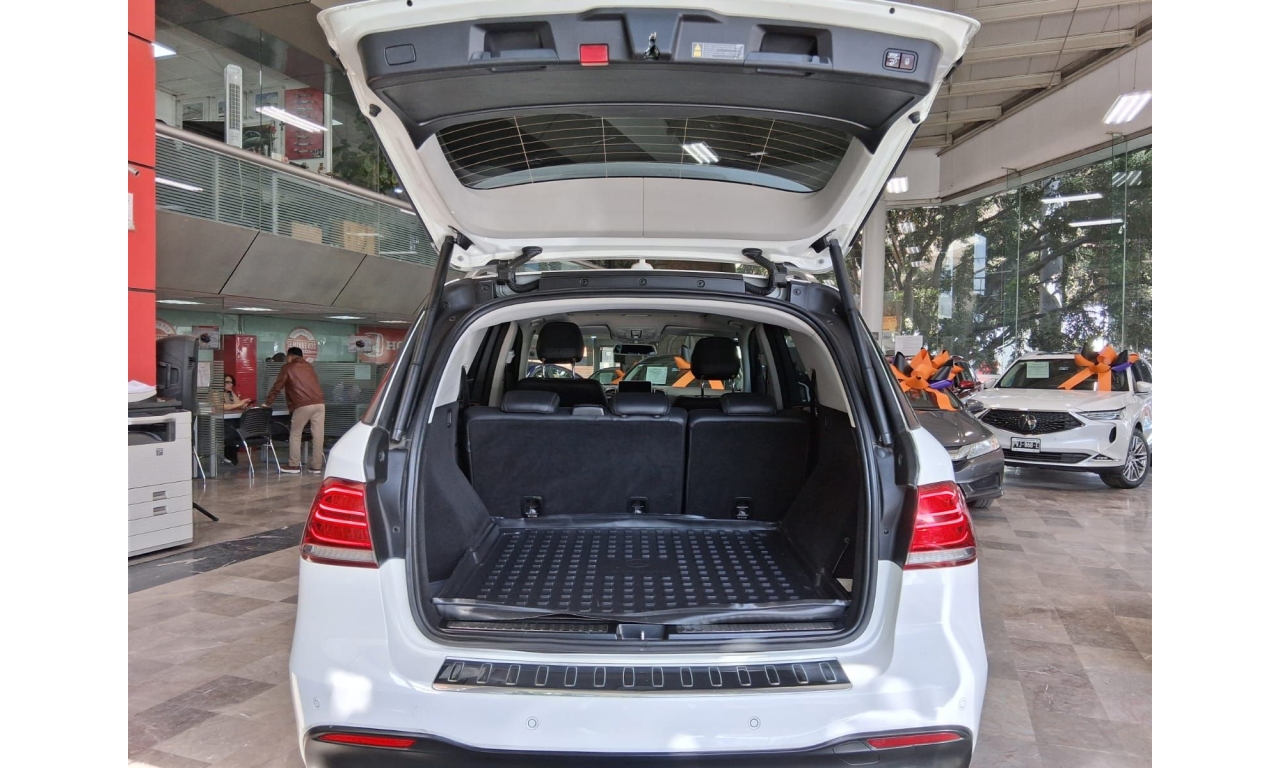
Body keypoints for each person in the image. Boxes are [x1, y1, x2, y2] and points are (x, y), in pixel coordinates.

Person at [264, 347, 326, 474]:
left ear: (290, 356)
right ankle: (316, 467)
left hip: (303, 405)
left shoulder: (288, 367)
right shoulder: (310, 367)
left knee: (295, 434)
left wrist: (267, 403)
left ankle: (294, 465)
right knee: (318, 435)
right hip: (320, 404)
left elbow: (277, 387)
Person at [221, 375, 253, 465]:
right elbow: (222, 406)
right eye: (227, 382)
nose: (230, 384)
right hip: (219, 422)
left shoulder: (230, 393)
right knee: (233, 431)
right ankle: (228, 454)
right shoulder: (216, 393)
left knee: (237, 428)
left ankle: (231, 455)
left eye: (231, 383)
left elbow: (239, 404)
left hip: (229, 421)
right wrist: (240, 404)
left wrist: (245, 404)